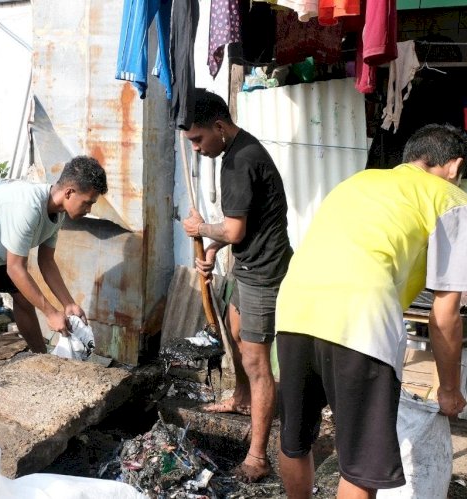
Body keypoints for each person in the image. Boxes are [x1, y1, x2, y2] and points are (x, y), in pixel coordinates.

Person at [275, 124, 467, 499]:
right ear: (454, 166)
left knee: (294, 440)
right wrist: (449, 390)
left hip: (293, 309)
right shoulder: (454, 198)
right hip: (360, 319)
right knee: (362, 466)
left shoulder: (360, 181)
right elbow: (446, 311)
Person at [182, 89, 293, 482]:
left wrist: (202, 230)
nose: (196, 149)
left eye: (198, 139)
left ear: (218, 126)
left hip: (264, 271)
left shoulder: (239, 161)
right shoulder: (237, 152)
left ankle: (258, 456)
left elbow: (234, 227)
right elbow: (237, 229)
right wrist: (212, 246)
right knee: (233, 331)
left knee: (256, 360)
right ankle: (242, 398)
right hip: (247, 263)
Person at [0, 156, 107, 373]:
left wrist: (68, 303)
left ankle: (43, 361)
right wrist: (50, 313)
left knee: (23, 300)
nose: (89, 209)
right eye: (88, 202)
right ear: (69, 192)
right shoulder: (28, 207)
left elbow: (46, 261)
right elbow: (15, 268)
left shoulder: (57, 213)